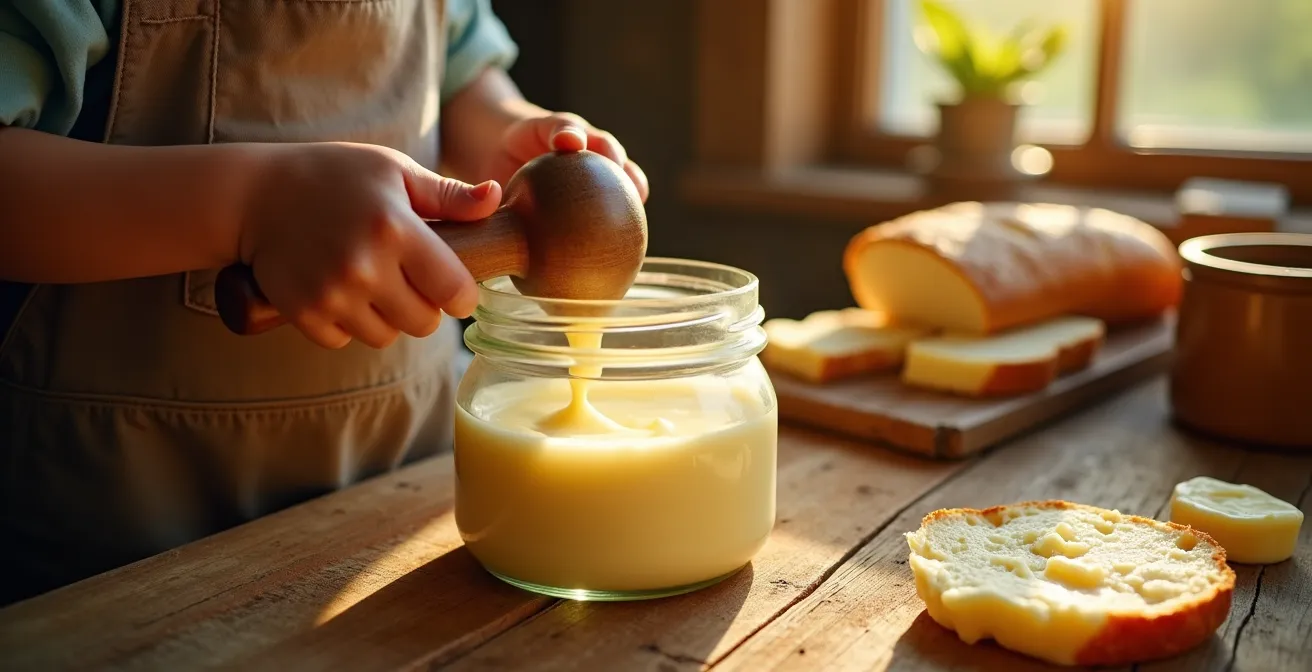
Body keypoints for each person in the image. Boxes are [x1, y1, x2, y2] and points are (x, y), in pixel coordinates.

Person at [0, 0, 649, 605]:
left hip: (405, 489)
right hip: (116, 531)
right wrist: (250, 205)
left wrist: (504, 135)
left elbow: (458, 78)